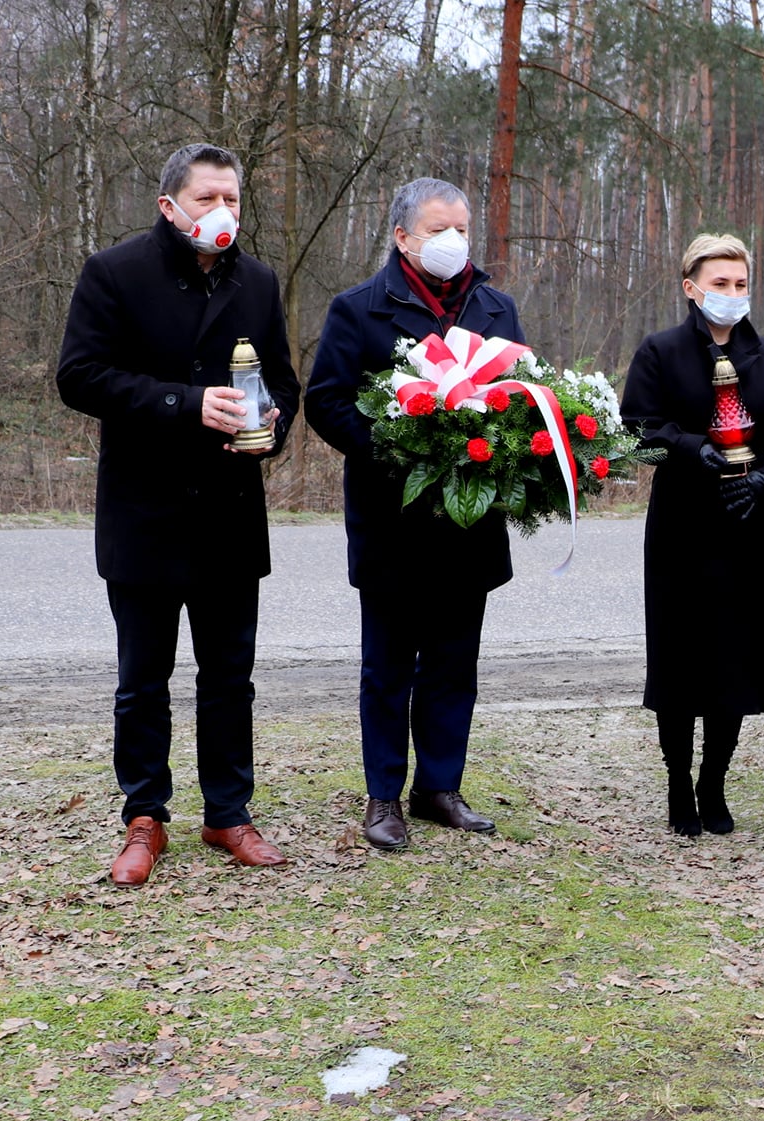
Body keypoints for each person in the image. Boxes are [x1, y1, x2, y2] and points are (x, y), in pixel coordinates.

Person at [56, 141, 299, 886]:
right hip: (144, 512)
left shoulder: (256, 279)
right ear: (169, 206)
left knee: (231, 677)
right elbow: (79, 376)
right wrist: (186, 404)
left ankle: (228, 812)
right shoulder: (115, 271)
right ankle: (144, 816)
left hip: (229, 512)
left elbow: (285, 384)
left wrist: (270, 431)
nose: (223, 212)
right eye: (207, 199)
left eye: (232, 199)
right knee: (143, 678)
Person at [303, 177, 523, 851]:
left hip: (467, 523)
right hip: (392, 521)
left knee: (455, 664)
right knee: (388, 668)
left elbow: (519, 397)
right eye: (437, 229)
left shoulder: (494, 308)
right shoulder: (359, 310)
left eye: (461, 228)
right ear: (401, 237)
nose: (452, 241)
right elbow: (327, 402)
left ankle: (440, 788)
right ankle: (382, 798)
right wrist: (399, 447)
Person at [621, 234, 764, 836]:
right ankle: (678, 781)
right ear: (691, 288)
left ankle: (714, 782)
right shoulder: (659, 352)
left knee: (734, 660)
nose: (731, 295)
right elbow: (636, 428)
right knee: (682, 661)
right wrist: (688, 448)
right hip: (681, 523)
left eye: (740, 284)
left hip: (745, 524)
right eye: (719, 284)